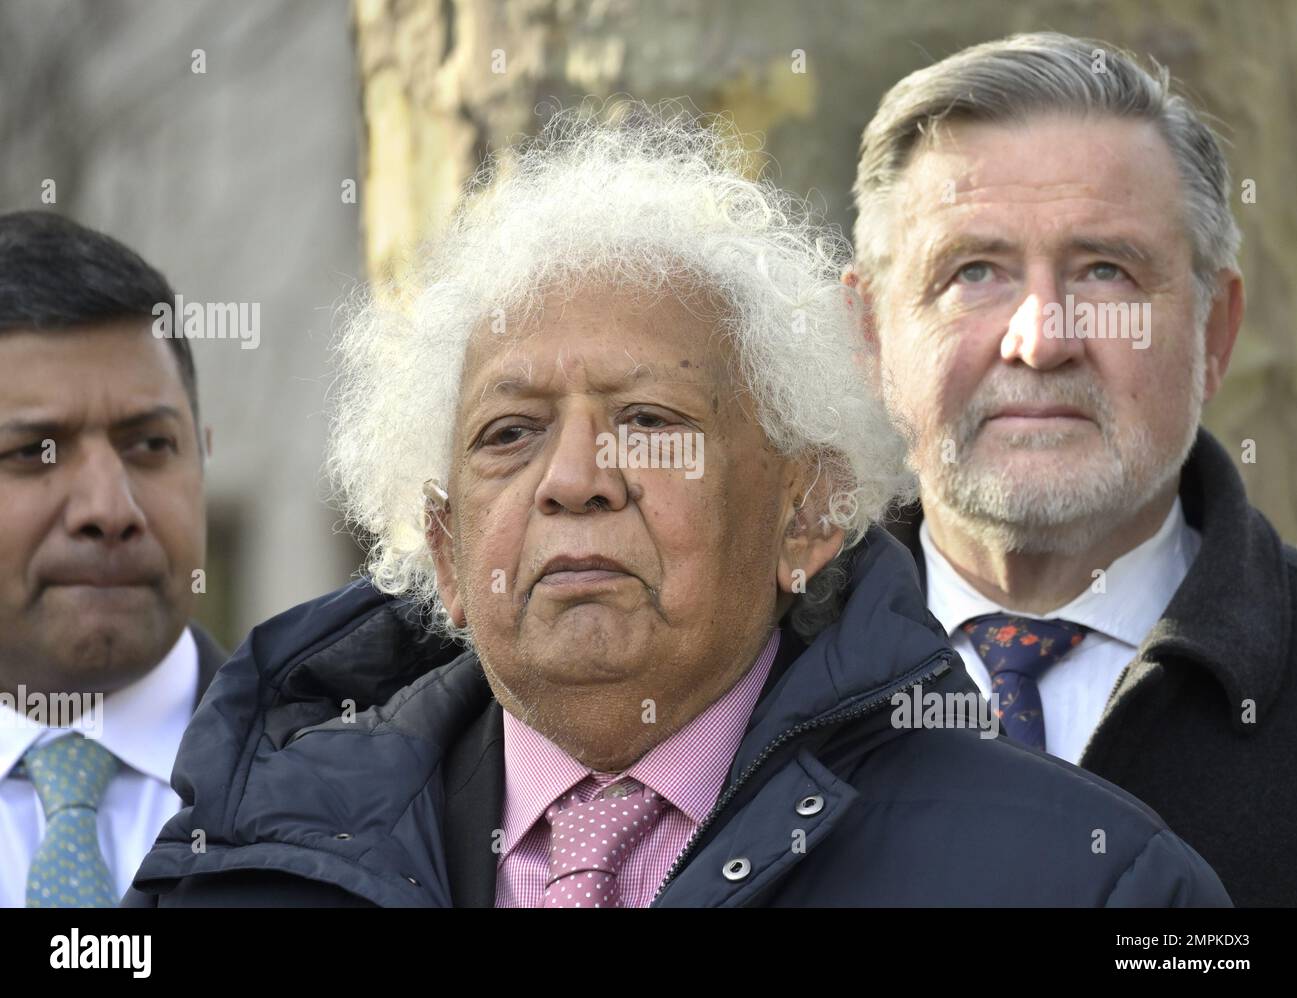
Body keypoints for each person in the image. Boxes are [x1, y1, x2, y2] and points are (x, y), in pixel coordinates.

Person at [126, 104, 1227, 907]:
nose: (575, 477)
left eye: (649, 419)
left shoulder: (1089, 880)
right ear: (450, 554)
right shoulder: (234, 870)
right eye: (509, 434)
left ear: (807, 512)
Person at [845, 32, 1297, 906]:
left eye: (1106, 271)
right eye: (973, 271)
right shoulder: (742, 687)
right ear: (871, 335)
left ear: (1214, 332)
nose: (1042, 340)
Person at [0, 211, 226, 907]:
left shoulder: (356, 791)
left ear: (202, 461)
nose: (109, 507)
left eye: (149, 445)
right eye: (34, 452)